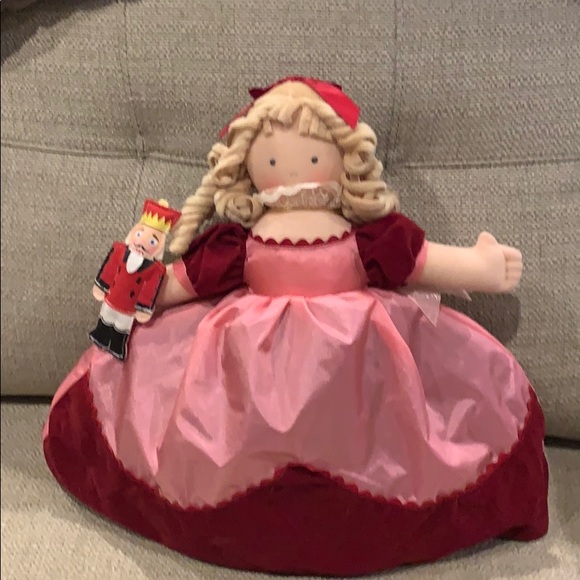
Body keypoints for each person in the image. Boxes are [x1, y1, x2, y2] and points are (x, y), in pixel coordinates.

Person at [43, 77, 548, 577]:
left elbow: (417, 263)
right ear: (247, 165)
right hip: (245, 358)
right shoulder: (237, 244)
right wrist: (138, 288)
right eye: (270, 161)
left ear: (344, 157)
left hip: (359, 362)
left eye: (311, 156)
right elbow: (186, 281)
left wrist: (479, 268)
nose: (292, 171)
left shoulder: (370, 239)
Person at [89, 198, 181, 360]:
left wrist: (143, 308)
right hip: (111, 298)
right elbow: (109, 270)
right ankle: (101, 333)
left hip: (129, 307)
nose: (142, 243)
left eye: (152, 241)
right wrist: (101, 286)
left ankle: (117, 344)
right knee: (106, 317)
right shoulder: (119, 251)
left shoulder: (156, 270)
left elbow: (149, 290)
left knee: (121, 326)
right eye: (139, 234)